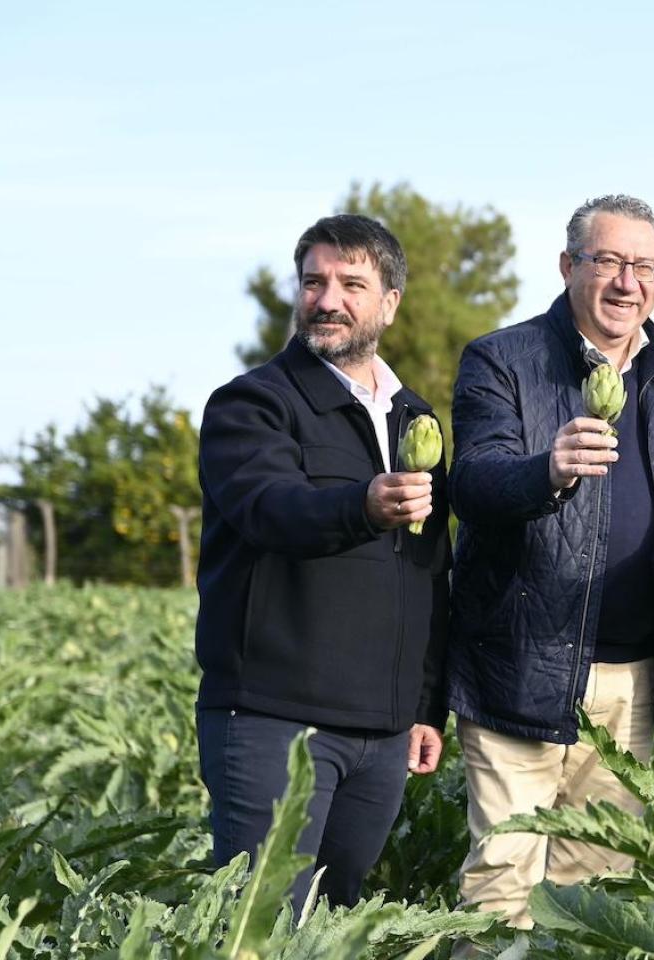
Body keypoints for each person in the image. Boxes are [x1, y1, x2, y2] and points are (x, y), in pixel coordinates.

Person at [446, 195, 654, 928]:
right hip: (521, 665)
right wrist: (547, 469)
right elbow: (473, 480)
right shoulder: (503, 359)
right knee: (504, 884)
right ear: (568, 267)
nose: (628, 282)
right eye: (609, 262)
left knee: (598, 893)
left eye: (644, 266)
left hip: (634, 678)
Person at [194, 214, 449, 907]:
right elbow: (269, 508)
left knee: (336, 923)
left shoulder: (415, 421)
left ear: (389, 302)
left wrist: (425, 704)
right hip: (276, 720)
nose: (327, 299)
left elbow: (427, 572)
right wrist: (362, 505)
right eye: (314, 281)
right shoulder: (252, 405)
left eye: (351, 284)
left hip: (383, 731)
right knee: (263, 925)